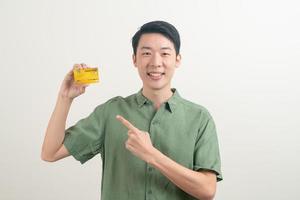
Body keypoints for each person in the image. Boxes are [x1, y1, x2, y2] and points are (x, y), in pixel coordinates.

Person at [41, 20, 223, 200]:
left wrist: (152, 155)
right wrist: (65, 98)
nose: (155, 62)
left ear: (177, 60)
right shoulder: (111, 112)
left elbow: (207, 190)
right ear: (134, 59)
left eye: (165, 53)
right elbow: (50, 152)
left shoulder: (199, 118)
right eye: (146, 53)